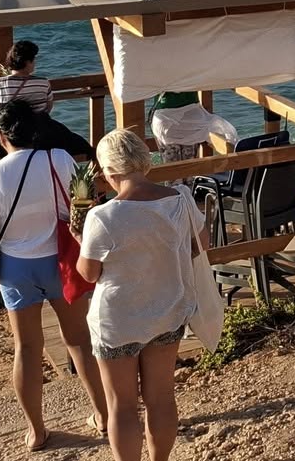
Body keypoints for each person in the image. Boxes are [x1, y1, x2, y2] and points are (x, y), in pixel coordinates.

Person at [0, 99, 107, 451]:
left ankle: (37, 431)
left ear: (1, 137)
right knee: (78, 340)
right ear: (36, 129)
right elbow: (81, 206)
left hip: (16, 268)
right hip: (61, 260)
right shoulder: (59, 158)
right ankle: (104, 416)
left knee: (27, 348)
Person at [78, 129, 202, 461]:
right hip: (167, 309)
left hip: (118, 320)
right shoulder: (180, 200)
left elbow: (89, 273)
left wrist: (79, 240)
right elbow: (197, 246)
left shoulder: (102, 216)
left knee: (122, 406)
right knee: (161, 398)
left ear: (110, 171)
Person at [0, 39, 95, 162]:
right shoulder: (43, 82)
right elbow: (48, 107)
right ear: (27, 62)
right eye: (33, 60)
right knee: (82, 146)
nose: (35, 63)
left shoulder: (1, 83)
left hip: (12, 135)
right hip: (40, 133)